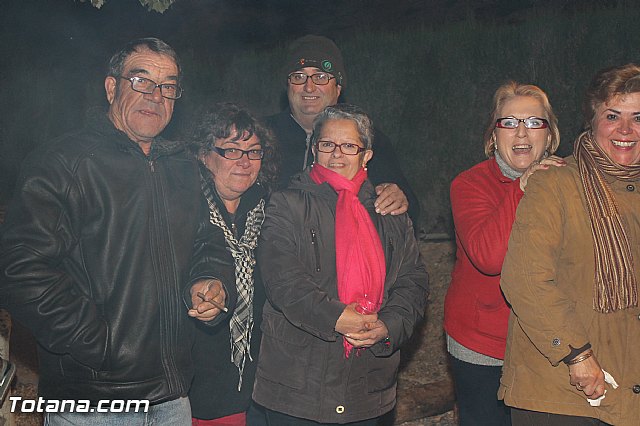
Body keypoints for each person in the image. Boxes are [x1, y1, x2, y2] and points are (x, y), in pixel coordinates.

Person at [0, 37, 234, 425]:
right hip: (95, 401)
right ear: (112, 88)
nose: (156, 96)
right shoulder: (64, 162)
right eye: (141, 81)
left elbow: (205, 241)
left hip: (173, 397)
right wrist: (99, 343)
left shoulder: (180, 166)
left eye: (168, 86)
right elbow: (20, 270)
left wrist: (211, 281)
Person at [253, 104, 428, 425]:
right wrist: (337, 317)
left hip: (367, 385)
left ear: (366, 156)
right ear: (313, 150)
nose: (337, 154)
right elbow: (283, 281)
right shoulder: (286, 204)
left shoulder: (389, 211)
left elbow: (413, 281)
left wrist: (388, 325)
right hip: (298, 388)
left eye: (349, 146)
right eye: (327, 144)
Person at [499, 63, 640, 425]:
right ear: (592, 121)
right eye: (612, 116)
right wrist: (577, 355)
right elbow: (525, 279)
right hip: (563, 391)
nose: (625, 129)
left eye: (638, 117)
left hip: (628, 388)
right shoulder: (555, 183)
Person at [443, 81, 564, 425]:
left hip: (548, 342)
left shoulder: (566, 182)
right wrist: (522, 186)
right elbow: (489, 257)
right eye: (509, 123)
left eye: (534, 122)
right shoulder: (469, 184)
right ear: (493, 136)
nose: (521, 132)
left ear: (549, 136)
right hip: (484, 344)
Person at [266, 35, 420, 226]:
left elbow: (409, 209)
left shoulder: (367, 139)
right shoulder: (261, 136)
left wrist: (398, 197)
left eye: (320, 77)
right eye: (299, 77)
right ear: (288, 86)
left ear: (338, 87)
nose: (309, 87)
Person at [188, 103, 278, 426]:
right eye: (231, 150)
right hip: (193, 377)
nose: (245, 161)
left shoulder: (271, 210)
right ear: (203, 154)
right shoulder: (183, 207)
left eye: (254, 152)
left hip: (257, 377)